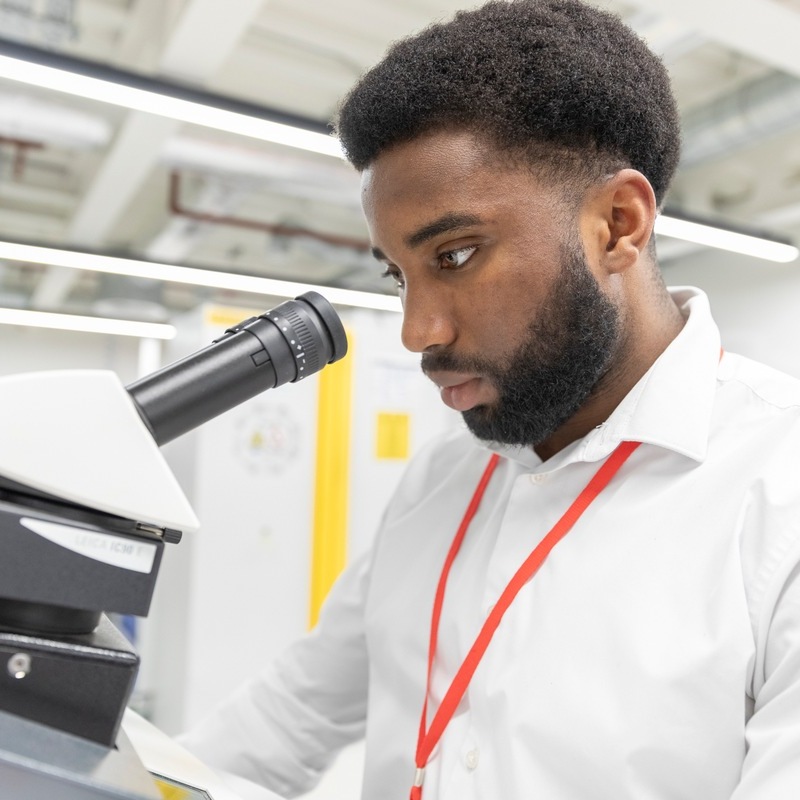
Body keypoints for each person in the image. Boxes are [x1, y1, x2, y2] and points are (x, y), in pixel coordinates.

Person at [180, 1, 800, 798]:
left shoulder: (778, 496)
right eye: (398, 275)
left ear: (618, 224)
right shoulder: (441, 478)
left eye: (456, 254)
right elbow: (284, 719)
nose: (417, 331)